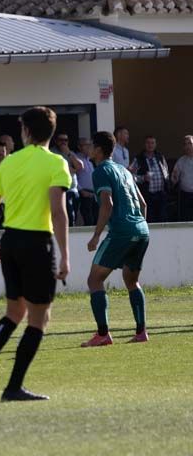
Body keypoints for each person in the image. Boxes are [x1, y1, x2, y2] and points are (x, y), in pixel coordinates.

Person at [0, 106, 71, 403]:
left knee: (14, 312)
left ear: (26, 131)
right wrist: (65, 255)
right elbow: (58, 212)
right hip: (38, 243)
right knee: (38, 318)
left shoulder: (9, 163)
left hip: (10, 240)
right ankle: (13, 387)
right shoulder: (56, 164)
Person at [81, 131, 150, 347]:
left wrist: (95, 236)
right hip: (141, 229)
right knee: (131, 281)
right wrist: (138, 228)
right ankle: (141, 332)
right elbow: (143, 204)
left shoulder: (100, 170)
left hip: (121, 231)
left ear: (99, 150)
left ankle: (103, 334)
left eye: (92, 145)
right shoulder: (124, 170)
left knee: (94, 280)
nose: (89, 148)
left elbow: (107, 204)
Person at [132, 136, 169, 223]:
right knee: (150, 219)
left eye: (152, 143)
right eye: (148, 143)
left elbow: (166, 172)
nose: (150, 145)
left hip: (161, 194)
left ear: (155, 145)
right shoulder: (139, 159)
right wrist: (143, 178)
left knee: (162, 218)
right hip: (147, 195)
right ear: (145, 145)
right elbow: (131, 176)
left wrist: (167, 182)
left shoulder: (160, 157)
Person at [52, 133, 85, 227]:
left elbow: (80, 166)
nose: (63, 142)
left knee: (74, 215)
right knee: (69, 215)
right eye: (60, 140)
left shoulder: (69, 152)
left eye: (65, 140)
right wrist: (72, 169)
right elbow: (58, 168)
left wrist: (68, 153)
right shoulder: (52, 152)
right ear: (55, 141)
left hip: (74, 189)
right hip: (61, 190)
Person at [75, 136, 97, 226]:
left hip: (93, 194)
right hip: (84, 193)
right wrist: (81, 190)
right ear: (79, 147)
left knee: (96, 219)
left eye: (90, 145)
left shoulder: (90, 161)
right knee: (89, 220)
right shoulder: (76, 159)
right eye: (86, 145)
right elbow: (72, 177)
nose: (89, 147)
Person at [172, 135, 193, 222]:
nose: (188, 146)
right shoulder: (181, 161)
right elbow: (174, 180)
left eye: (190, 143)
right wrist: (174, 177)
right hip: (186, 196)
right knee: (186, 220)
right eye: (185, 144)